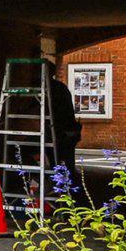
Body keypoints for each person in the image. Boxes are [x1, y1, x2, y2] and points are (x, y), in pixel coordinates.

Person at [46, 63, 82, 199]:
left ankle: (65, 191)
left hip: (59, 132)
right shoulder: (60, 87)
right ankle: (70, 192)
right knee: (66, 164)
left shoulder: (53, 88)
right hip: (66, 132)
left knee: (59, 162)